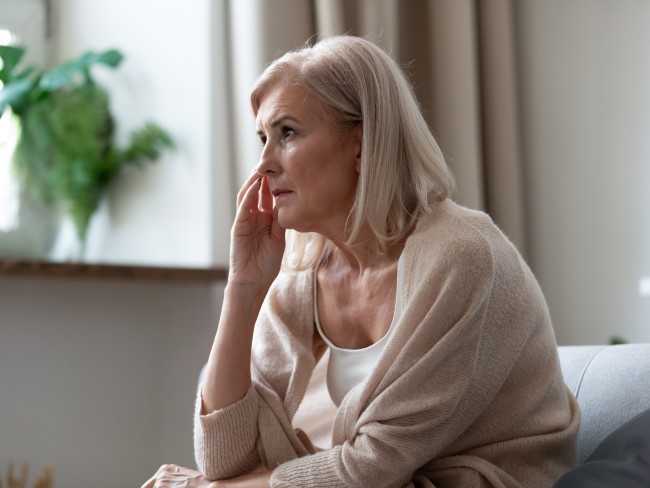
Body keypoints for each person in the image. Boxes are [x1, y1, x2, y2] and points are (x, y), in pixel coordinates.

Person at [142, 35, 579, 488]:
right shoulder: (301, 272)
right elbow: (224, 458)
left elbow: (371, 466)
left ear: (361, 144)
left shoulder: (462, 256)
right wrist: (244, 286)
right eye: (262, 139)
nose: (263, 165)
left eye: (287, 133)